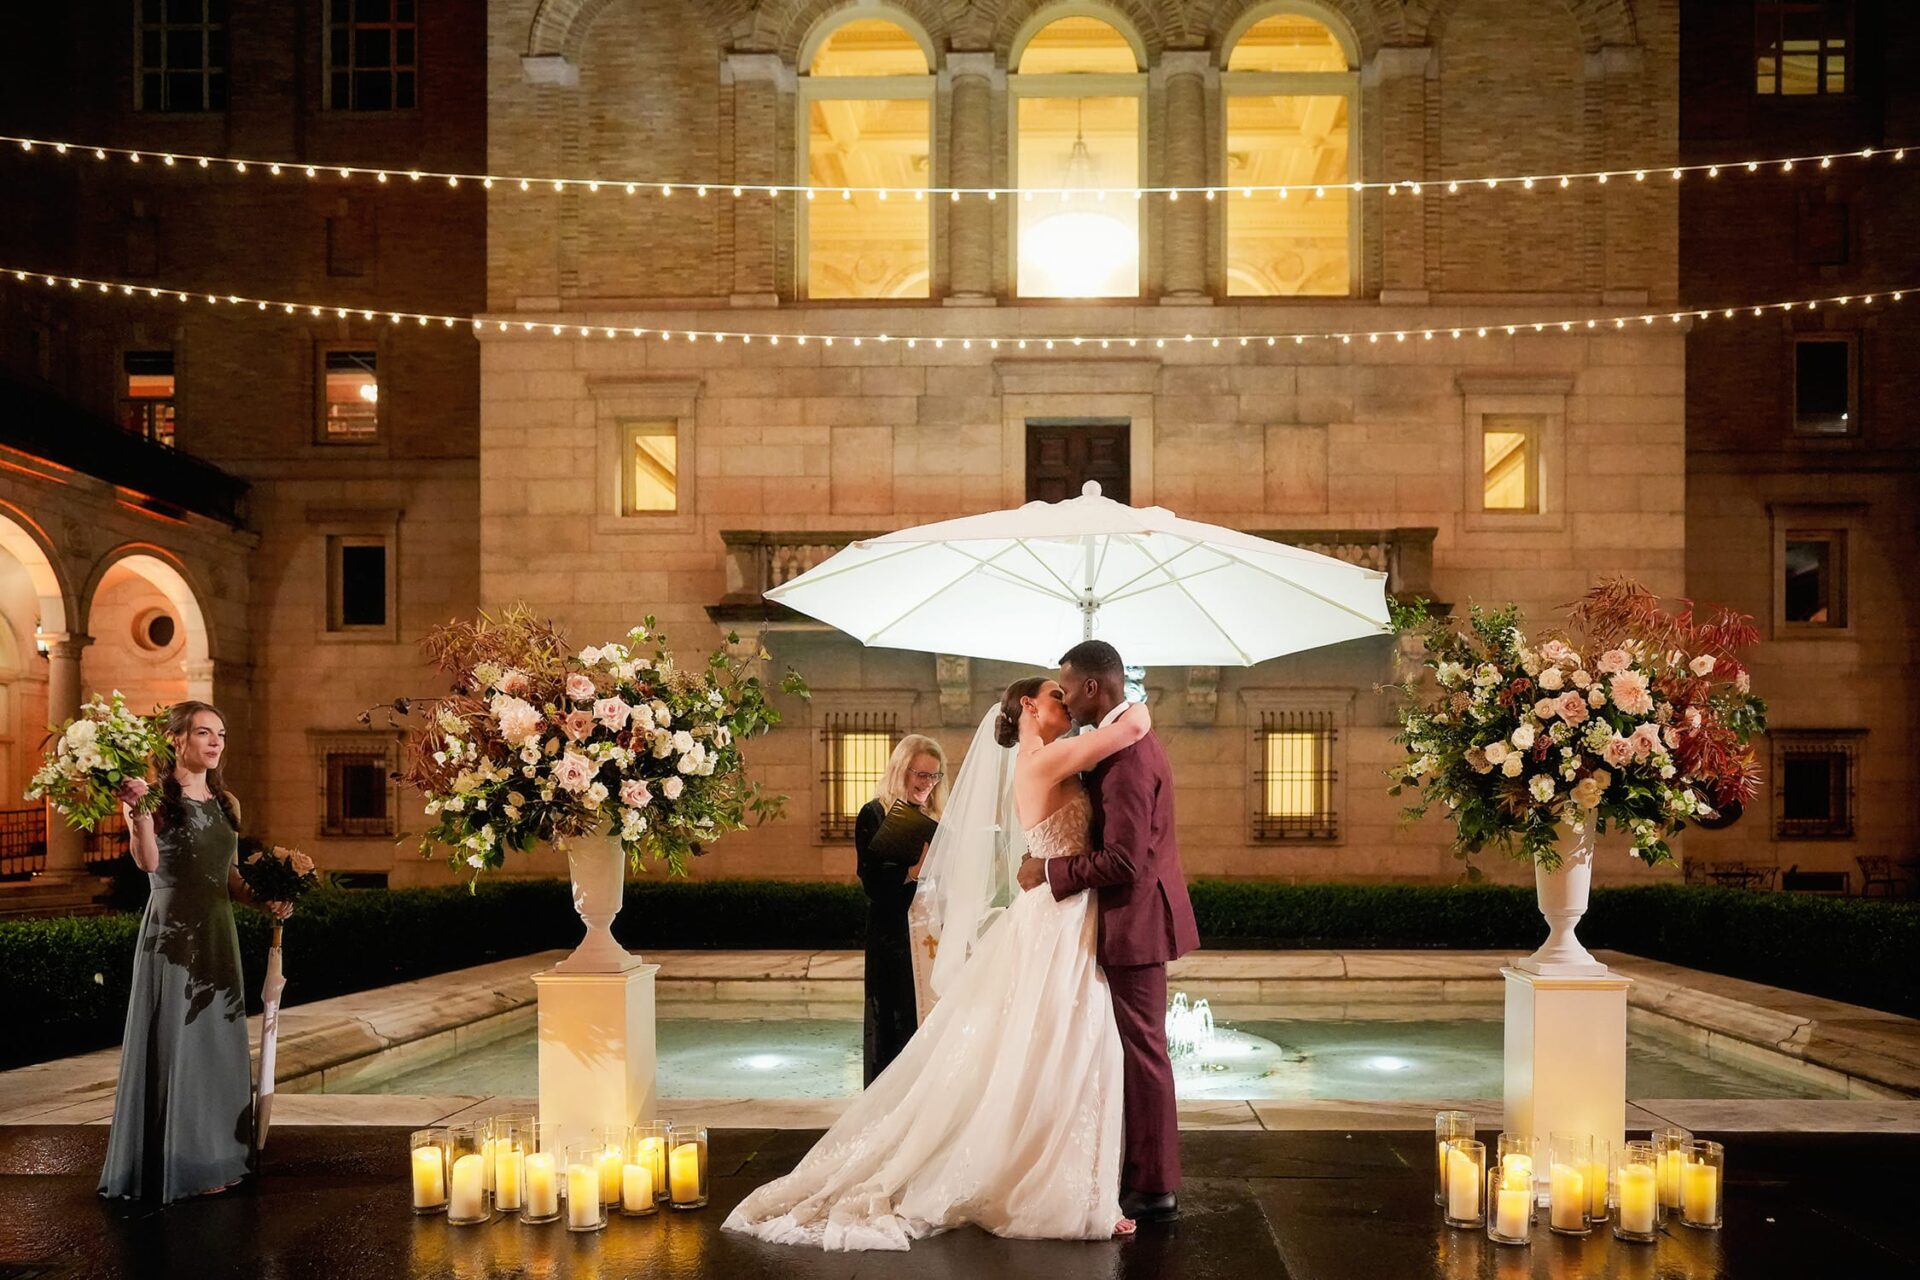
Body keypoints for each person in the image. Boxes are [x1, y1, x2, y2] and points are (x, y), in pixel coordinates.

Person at [723, 676, 1151, 1250]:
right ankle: (1049, 1188)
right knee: (1064, 1046)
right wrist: (1132, 701)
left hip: (1064, 916)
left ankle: (1054, 1177)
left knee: (1062, 1048)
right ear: (1028, 706)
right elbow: (1135, 724)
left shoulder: (1047, 756)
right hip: (1057, 920)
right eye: (1056, 693)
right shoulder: (1041, 759)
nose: (1066, 702)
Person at [1017, 640, 1199, 1224]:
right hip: (1129, 918)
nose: (1065, 698)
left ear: (1093, 687)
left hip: (1136, 920)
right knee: (1130, 1047)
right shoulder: (1123, 741)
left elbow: (1124, 862)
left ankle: (1153, 1185)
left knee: (1144, 1051)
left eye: (1068, 686)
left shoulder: (1127, 759)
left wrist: (1046, 871)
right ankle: (1134, 1169)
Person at [99, 701, 292, 1203]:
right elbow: (147, 861)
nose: (215, 742)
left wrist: (265, 898)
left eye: (221, 734)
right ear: (176, 740)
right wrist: (138, 811)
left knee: (216, 1043)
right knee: (179, 1041)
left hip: (217, 930)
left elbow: (227, 875)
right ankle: (177, 1164)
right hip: (172, 932)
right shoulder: (148, 797)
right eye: (204, 733)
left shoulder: (227, 802)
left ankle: (219, 1158)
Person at [854, 734, 946, 1084]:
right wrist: (911, 873)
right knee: (894, 1021)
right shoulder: (875, 813)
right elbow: (871, 881)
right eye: (920, 774)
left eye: (934, 776)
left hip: (932, 932)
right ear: (900, 771)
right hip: (892, 936)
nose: (927, 783)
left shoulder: (936, 816)